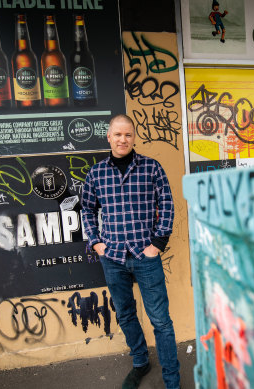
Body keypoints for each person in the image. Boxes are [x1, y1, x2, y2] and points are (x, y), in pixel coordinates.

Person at [81, 114, 180, 389]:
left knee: (160, 320)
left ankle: (172, 380)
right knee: (125, 313)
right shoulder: (96, 173)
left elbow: (168, 205)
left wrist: (157, 245)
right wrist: (97, 242)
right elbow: (87, 208)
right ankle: (140, 362)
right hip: (112, 258)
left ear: (133, 137)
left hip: (145, 256)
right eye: (117, 134)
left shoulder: (152, 168)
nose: (122, 139)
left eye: (128, 135)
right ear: (109, 137)